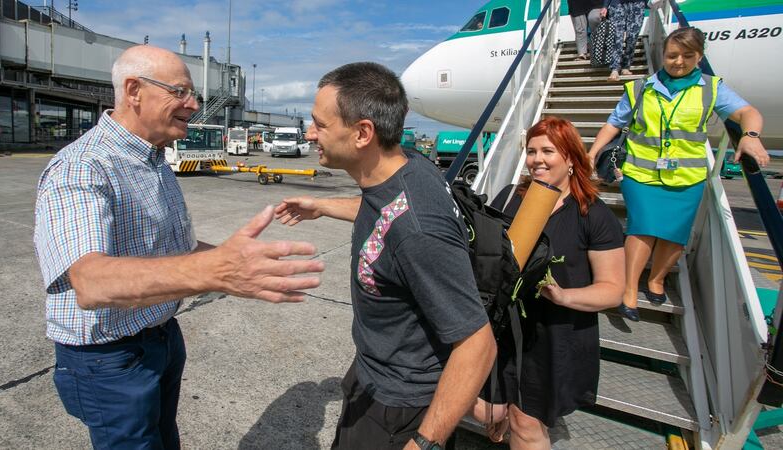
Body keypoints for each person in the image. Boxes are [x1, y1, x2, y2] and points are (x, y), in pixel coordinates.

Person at [33, 45, 324, 449]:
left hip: (162, 337)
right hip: (109, 358)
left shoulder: (155, 160)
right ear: (134, 90)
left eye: (194, 95)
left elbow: (179, 249)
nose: (194, 104)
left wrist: (237, 261)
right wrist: (217, 272)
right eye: (181, 92)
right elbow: (91, 282)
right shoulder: (82, 167)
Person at [274, 62, 497, 450]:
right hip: (373, 375)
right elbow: (383, 214)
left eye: (320, 125)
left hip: (399, 409)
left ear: (362, 133)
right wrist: (324, 205)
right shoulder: (408, 165)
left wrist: (424, 443)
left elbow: (478, 343)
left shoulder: (419, 229)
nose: (310, 134)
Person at [587, 27, 769, 321]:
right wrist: (593, 152)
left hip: (687, 177)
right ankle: (629, 288)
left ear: (699, 56)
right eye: (672, 55)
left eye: (687, 55)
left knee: (674, 235)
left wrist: (749, 135)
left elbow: (748, 112)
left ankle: (656, 280)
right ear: (662, 55)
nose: (678, 62)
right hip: (640, 173)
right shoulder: (640, 88)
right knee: (641, 228)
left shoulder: (712, 88)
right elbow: (613, 124)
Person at [470, 117, 625, 449]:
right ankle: (501, 416)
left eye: (548, 151)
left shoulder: (593, 214)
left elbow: (612, 289)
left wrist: (563, 295)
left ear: (570, 158)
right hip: (502, 326)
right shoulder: (509, 197)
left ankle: (517, 423)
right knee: (483, 407)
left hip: (553, 333)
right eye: (531, 151)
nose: (537, 159)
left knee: (526, 424)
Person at [602, 0, 647, 81]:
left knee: (632, 37)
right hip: (617, 3)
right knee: (617, 37)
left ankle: (626, 66)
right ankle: (614, 69)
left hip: (638, 4)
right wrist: (605, 6)